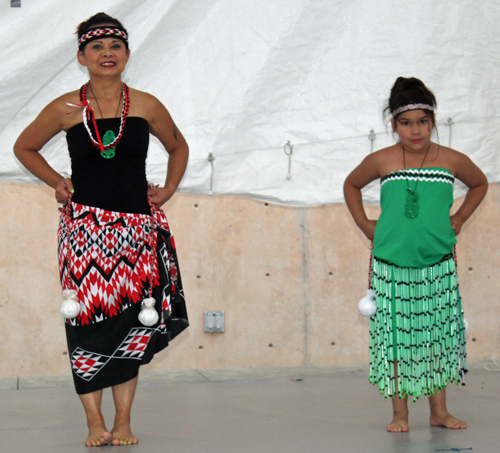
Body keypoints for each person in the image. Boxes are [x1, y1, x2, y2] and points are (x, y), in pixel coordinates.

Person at [13, 12, 189, 447]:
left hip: (136, 233)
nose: (106, 54)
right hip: (85, 234)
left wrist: (167, 189)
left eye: (115, 46)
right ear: (81, 56)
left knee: (131, 325)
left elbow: (178, 145)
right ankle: (95, 422)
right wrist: (57, 180)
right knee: (87, 325)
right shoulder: (66, 107)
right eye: (96, 47)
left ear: (127, 54)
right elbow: (24, 146)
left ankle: (124, 420)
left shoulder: (146, 104)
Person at [344, 77, 488, 432]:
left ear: (433, 121)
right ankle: (400, 414)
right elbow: (351, 184)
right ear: (393, 125)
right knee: (397, 340)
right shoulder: (382, 160)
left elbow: (480, 183)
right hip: (391, 266)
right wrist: (365, 224)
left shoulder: (451, 160)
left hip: (437, 265)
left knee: (436, 337)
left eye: (422, 122)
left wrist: (459, 218)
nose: (415, 130)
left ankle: (439, 412)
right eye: (406, 123)